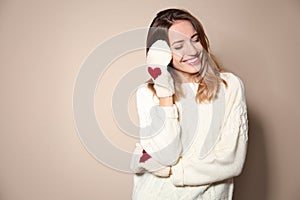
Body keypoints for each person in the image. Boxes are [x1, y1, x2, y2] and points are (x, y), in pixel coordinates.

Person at [130, 8, 248, 200]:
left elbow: (232, 160)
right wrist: (165, 92)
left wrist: (172, 171)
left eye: (195, 39)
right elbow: (167, 155)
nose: (193, 51)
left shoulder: (229, 86)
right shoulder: (147, 94)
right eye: (179, 46)